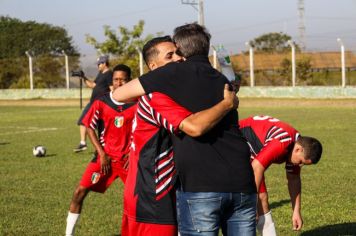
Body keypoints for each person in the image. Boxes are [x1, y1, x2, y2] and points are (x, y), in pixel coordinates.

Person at [113, 23, 257, 236]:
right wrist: (227, 103)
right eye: (171, 55)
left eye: (178, 53)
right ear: (153, 67)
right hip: (153, 194)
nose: (179, 59)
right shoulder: (156, 96)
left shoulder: (178, 84)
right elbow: (195, 127)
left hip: (178, 188)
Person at [65, 64, 136, 236]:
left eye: (123, 80)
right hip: (104, 159)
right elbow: (90, 127)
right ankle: (69, 234)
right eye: (116, 79)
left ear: (129, 81)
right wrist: (102, 153)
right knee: (79, 192)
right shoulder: (101, 102)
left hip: (128, 161)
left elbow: (141, 130)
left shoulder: (138, 103)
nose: (119, 83)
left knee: (138, 201)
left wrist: (133, 153)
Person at [239, 115, 323, 236]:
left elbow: (294, 179)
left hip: (251, 150)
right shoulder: (281, 143)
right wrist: (251, 205)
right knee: (258, 200)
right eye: (300, 162)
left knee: (262, 200)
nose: (299, 166)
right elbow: (256, 168)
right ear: (298, 150)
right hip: (236, 139)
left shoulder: (296, 145)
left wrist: (296, 211)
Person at [73, 55, 113, 152]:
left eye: (99, 64)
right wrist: (84, 77)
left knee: (101, 126)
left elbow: (112, 89)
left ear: (104, 63)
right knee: (83, 121)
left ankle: (102, 145)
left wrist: (111, 102)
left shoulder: (109, 74)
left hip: (102, 103)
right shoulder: (100, 74)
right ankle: (83, 143)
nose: (98, 66)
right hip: (92, 103)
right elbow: (92, 85)